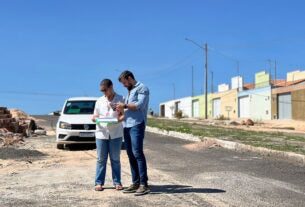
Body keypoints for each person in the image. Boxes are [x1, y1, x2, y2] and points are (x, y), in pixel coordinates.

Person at [116, 70, 150, 196]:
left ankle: (144, 185)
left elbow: (139, 105)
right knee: (130, 154)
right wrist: (119, 108)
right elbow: (128, 107)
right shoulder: (129, 91)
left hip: (137, 124)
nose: (124, 85)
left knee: (137, 153)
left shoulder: (142, 88)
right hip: (127, 125)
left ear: (129, 78)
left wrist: (124, 105)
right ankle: (135, 182)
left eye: (125, 82)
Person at [92, 79, 124, 191]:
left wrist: (116, 121)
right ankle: (98, 183)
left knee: (115, 159)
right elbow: (95, 116)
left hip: (116, 133)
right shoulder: (99, 101)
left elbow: (123, 116)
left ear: (111, 87)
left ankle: (117, 182)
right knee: (101, 159)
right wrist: (95, 119)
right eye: (102, 91)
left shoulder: (120, 99)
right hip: (101, 133)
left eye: (105, 90)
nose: (104, 92)